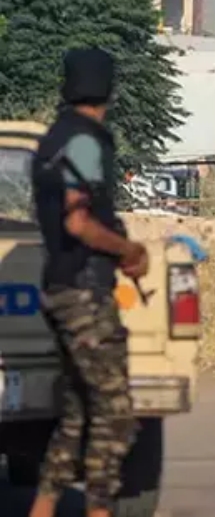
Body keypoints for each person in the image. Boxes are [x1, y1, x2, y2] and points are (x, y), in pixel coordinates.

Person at [29, 48, 149, 517]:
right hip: (82, 291)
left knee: (78, 415)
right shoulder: (83, 141)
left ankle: (42, 507)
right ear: (110, 90)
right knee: (115, 414)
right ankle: (98, 510)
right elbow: (77, 221)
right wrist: (128, 250)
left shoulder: (53, 139)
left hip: (60, 286)